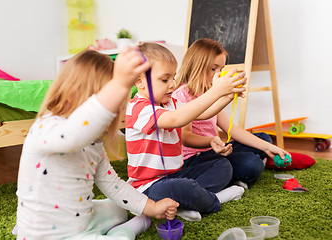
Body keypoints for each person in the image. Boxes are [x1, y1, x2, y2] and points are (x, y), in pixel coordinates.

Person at [15, 48, 179, 240]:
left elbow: (113, 184)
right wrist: (118, 84)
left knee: (120, 209)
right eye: (113, 107)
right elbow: (73, 136)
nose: (116, 113)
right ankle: (123, 233)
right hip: (49, 235)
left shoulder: (94, 142)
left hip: (79, 218)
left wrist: (152, 207)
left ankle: (119, 224)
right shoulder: (46, 127)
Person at [125, 42, 247, 222]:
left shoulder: (169, 103)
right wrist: (216, 91)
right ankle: (214, 200)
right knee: (184, 188)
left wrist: (227, 96)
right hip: (148, 187)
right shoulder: (138, 108)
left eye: (173, 78)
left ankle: (186, 203)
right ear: (140, 82)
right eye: (165, 80)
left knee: (222, 166)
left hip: (176, 173)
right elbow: (176, 119)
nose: (172, 85)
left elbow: (202, 113)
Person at [173, 38, 289, 190]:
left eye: (221, 69)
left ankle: (237, 171)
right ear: (196, 66)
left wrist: (267, 148)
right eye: (214, 69)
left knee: (264, 139)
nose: (219, 75)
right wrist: (211, 141)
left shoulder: (209, 92)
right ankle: (233, 174)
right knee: (251, 164)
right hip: (195, 158)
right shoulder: (181, 95)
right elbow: (185, 137)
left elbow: (231, 129)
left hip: (215, 149)